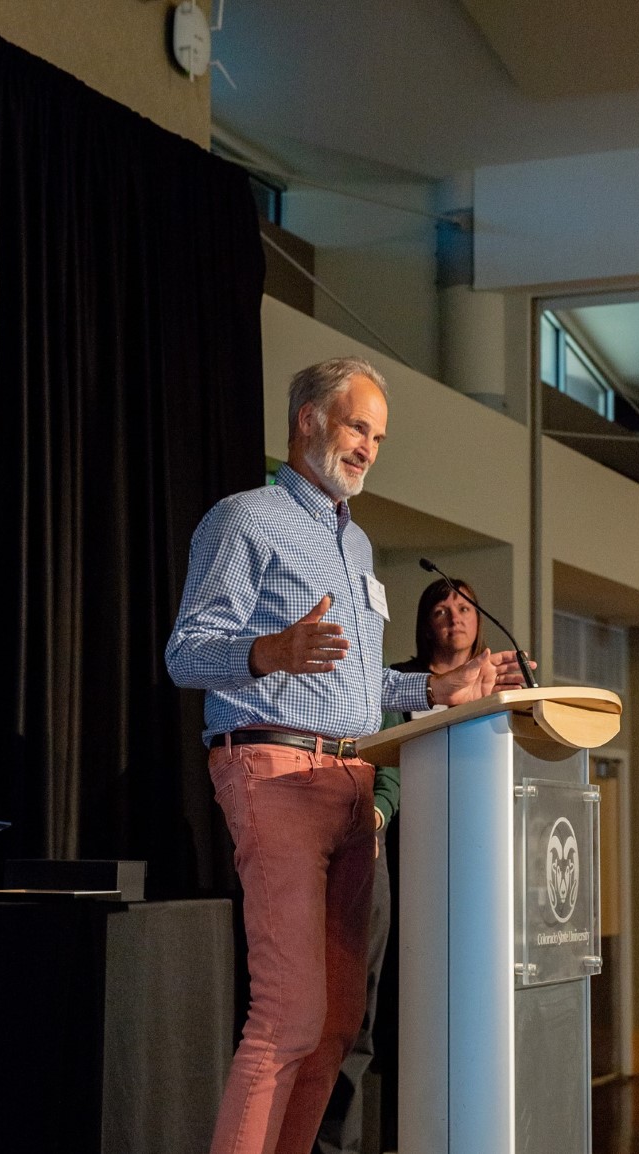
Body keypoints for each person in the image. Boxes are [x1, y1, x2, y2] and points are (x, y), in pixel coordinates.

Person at [165, 356, 527, 1154]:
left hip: (355, 783)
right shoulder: (243, 519)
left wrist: (441, 689)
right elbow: (185, 653)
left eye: (378, 437)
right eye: (358, 427)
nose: (368, 447)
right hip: (276, 774)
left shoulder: (356, 546)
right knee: (288, 1015)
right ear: (308, 421)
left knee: (336, 1024)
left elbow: (360, 690)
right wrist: (268, 650)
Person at [313, 575, 531, 1154]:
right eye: (441, 609)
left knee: (457, 1010)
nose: (454, 617)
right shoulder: (399, 686)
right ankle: (350, 1140)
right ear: (424, 624)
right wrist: (379, 816)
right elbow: (380, 766)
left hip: (475, 871)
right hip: (394, 859)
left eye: (464, 607)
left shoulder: (500, 691)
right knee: (370, 1011)